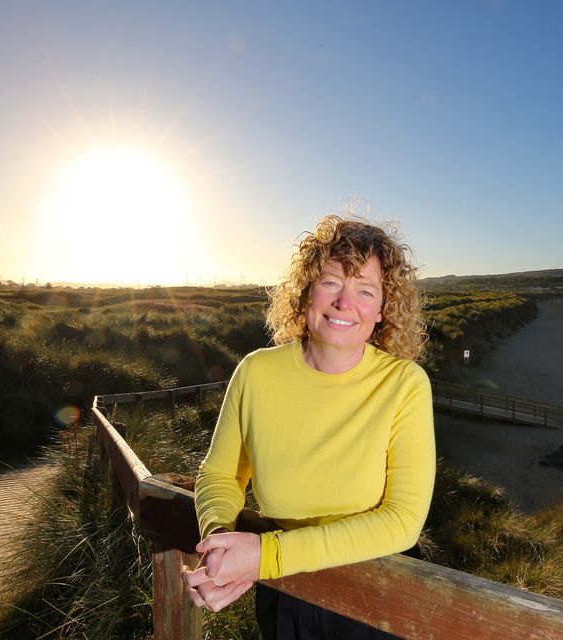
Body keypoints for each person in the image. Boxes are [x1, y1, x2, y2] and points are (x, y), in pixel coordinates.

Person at [182, 215, 435, 638]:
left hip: (379, 593)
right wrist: (220, 543)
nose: (344, 303)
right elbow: (220, 474)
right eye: (332, 281)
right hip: (288, 599)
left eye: (366, 290)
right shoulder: (256, 372)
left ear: (383, 310)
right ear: (305, 293)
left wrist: (264, 556)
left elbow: (402, 521)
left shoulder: (405, 384)